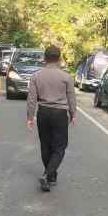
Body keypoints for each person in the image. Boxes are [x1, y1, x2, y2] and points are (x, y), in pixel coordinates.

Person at [26, 45, 76, 192]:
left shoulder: (36, 76)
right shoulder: (66, 77)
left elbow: (31, 99)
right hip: (59, 114)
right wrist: (73, 114)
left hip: (43, 112)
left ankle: (50, 176)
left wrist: (30, 117)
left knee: (45, 145)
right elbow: (71, 98)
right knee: (60, 147)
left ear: (44, 58)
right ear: (59, 58)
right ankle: (48, 174)